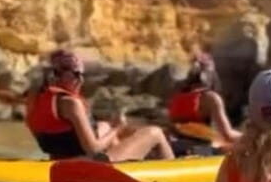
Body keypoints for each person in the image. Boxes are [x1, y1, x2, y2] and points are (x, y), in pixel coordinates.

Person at [25, 50, 175, 161]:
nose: (80, 80)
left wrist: (111, 129)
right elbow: (94, 150)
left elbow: (49, 136)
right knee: (154, 132)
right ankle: (174, 172)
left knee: (103, 126)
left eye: (81, 75)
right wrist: (118, 128)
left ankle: (139, 161)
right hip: (87, 166)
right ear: (57, 75)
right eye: (75, 74)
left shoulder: (34, 100)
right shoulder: (71, 103)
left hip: (58, 161)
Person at [167, 52, 242, 144]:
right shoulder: (211, 98)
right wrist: (251, 136)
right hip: (199, 151)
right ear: (211, 74)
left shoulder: (177, 95)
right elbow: (228, 135)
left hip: (175, 146)